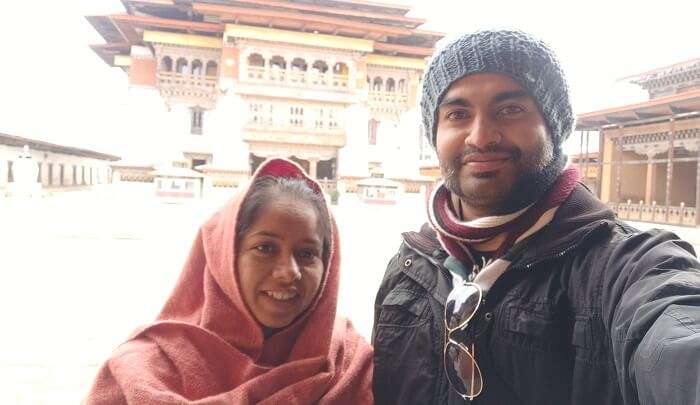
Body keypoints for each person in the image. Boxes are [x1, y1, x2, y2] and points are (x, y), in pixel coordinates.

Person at [371, 30, 700, 405]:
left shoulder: (621, 266)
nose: (480, 137)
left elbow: (677, 327)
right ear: (435, 132)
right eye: (458, 114)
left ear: (553, 127)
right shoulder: (410, 265)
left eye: (510, 109)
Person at [86, 158, 373, 404]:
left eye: (307, 253)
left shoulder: (348, 365)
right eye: (266, 248)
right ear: (225, 255)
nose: (289, 272)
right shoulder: (143, 370)